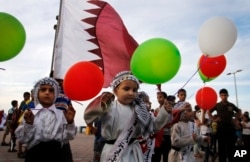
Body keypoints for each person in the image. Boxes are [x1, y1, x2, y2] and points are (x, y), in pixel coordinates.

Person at [84, 71, 172, 162]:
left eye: (134, 90)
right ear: (115, 90)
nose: (131, 93)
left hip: (134, 152)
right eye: (126, 89)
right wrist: (101, 103)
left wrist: (164, 112)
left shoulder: (140, 110)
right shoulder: (109, 106)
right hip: (113, 152)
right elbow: (88, 117)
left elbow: (154, 126)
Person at [15, 77, 76, 162]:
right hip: (35, 155)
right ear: (37, 93)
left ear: (55, 94)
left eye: (51, 90)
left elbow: (68, 137)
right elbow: (23, 139)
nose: (47, 92)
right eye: (43, 90)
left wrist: (70, 122)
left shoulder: (61, 114)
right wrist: (28, 125)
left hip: (57, 155)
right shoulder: (31, 113)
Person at [208, 88, 240, 162]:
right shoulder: (217, 105)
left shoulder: (231, 105)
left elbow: (238, 111)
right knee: (221, 149)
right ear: (220, 96)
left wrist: (235, 120)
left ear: (227, 95)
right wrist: (214, 119)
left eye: (225, 95)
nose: (223, 97)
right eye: (222, 95)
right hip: (221, 129)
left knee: (231, 148)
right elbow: (209, 112)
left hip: (230, 129)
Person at [55, 78, 74, 162]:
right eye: (57, 80)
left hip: (63, 126)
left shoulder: (67, 93)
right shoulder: (50, 92)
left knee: (66, 155)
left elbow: (69, 105)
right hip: (50, 126)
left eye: (61, 80)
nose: (60, 82)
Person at [152, 91, 171, 162]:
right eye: (157, 97)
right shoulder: (156, 110)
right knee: (157, 155)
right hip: (158, 136)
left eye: (160, 97)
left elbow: (170, 122)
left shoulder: (169, 108)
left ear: (165, 98)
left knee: (166, 156)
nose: (159, 99)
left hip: (166, 135)